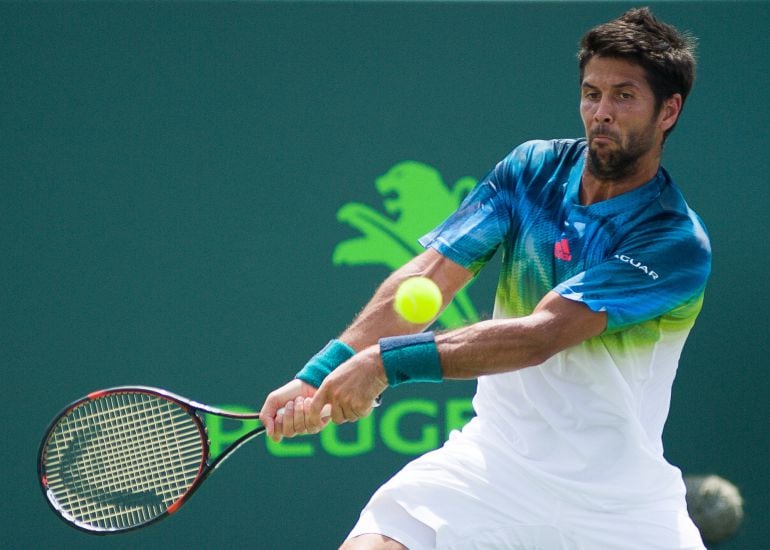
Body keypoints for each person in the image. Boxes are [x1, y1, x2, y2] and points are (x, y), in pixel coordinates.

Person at [259, 7, 710, 549]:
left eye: (624, 96)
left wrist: (384, 363)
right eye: (592, 93)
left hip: (618, 505)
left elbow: (543, 333)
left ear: (669, 110)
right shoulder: (532, 170)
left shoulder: (673, 240)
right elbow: (429, 278)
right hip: (492, 466)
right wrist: (323, 371)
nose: (601, 112)